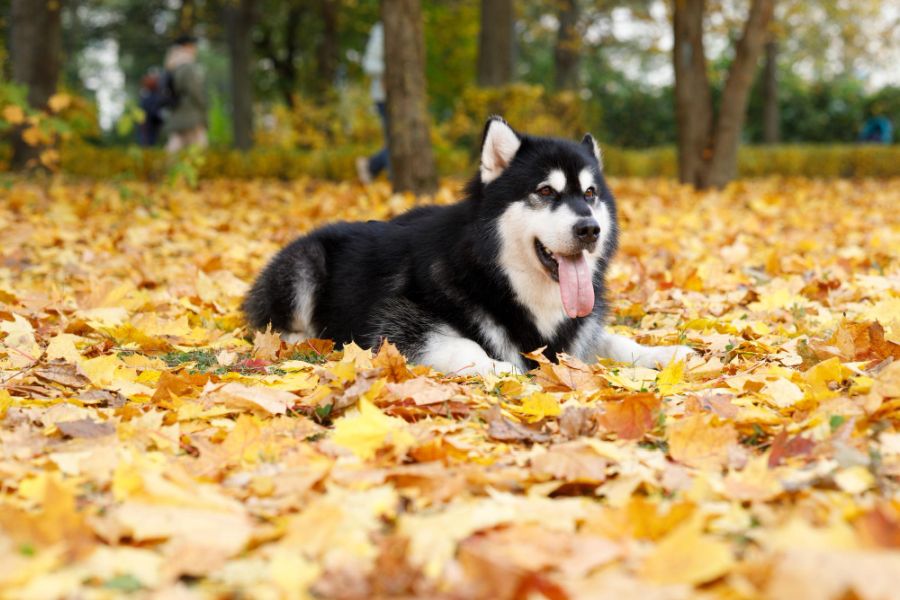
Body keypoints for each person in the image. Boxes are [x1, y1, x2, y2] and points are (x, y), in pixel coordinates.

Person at [163, 34, 208, 153]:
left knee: (174, 146)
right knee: (200, 148)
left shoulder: (171, 64)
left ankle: (163, 169)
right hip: (190, 113)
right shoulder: (188, 65)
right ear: (187, 46)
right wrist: (203, 106)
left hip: (176, 112)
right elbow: (194, 91)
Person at [356, 22, 388, 184]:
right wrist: (390, 69)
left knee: (399, 140)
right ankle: (373, 167)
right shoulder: (381, 30)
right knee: (395, 140)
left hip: (406, 95)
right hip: (384, 95)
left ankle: (371, 166)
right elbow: (369, 64)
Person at [137, 70, 164, 147]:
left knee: (150, 143)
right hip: (147, 125)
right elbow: (151, 111)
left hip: (151, 124)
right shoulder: (147, 94)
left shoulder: (152, 94)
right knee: (147, 144)